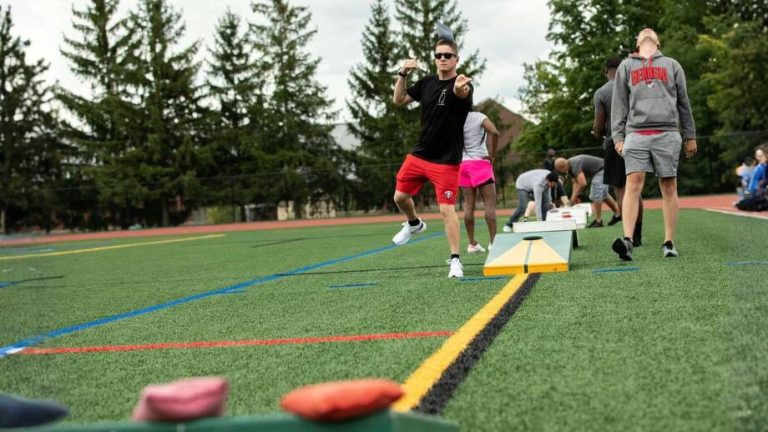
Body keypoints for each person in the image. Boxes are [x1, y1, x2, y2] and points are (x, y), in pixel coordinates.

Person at [611, 28, 697, 261]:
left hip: (668, 132)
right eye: (643, 31)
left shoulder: (672, 65)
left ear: (657, 42)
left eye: (651, 31)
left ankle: (668, 242)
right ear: (637, 43)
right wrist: (618, 137)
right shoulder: (626, 66)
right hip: (636, 133)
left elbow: (683, 102)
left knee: (669, 185)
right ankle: (627, 241)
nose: (647, 31)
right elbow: (618, 105)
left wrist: (690, 135)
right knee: (633, 183)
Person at [392, 38, 473, 278]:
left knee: (446, 209)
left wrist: (459, 87)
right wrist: (402, 74)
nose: (443, 59)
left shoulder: (462, 83)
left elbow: (462, 92)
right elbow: (399, 100)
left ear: (456, 59)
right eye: (439, 55)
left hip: (447, 160)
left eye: (448, 55)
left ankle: (456, 261)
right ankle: (414, 223)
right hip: (420, 154)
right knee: (399, 197)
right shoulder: (427, 83)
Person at [593, 57, 644, 244]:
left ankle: (628, 235)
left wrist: (598, 134)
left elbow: (599, 125)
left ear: (606, 71)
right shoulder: (634, 86)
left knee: (621, 189)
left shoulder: (601, 92)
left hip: (616, 141)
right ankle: (638, 233)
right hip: (638, 139)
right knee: (636, 188)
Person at [459, 111, 500, 253]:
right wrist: (493, 155)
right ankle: (493, 242)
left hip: (462, 165)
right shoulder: (478, 116)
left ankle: (472, 244)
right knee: (489, 203)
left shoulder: (452, 117)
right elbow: (494, 132)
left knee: (469, 206)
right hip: (480, 163)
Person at [553, 155, 620, 227]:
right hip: (604, 168)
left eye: (560, 170)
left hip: (603, 169)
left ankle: (598, 221)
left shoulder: (575, 164)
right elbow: (575, 183)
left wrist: (573, 198)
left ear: (563, 166)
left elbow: (583, 183)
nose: (561, 172)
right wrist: (572, 198)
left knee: (595, 195)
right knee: (604, 195)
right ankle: (618, 214)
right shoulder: (569, 166)